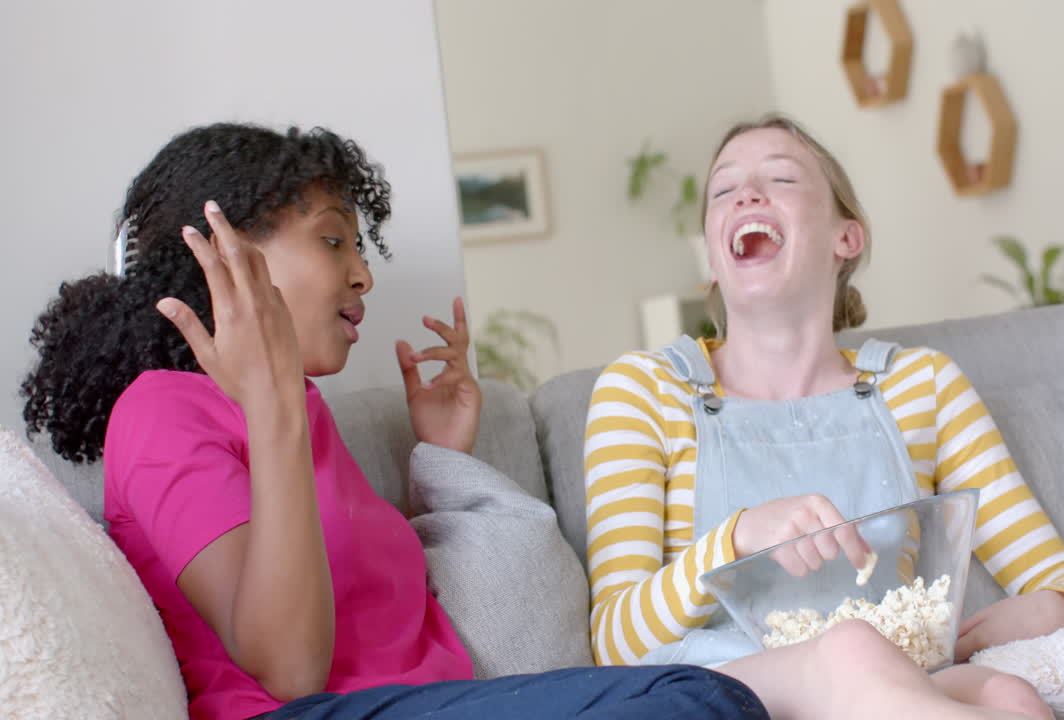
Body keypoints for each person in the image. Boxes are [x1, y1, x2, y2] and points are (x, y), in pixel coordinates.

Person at [20, 123, 768, 720]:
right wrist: (272, 399)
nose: (362, 274)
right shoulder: (161, 412)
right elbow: (288, 668)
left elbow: (368, 616)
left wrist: (442, 456)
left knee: (708, 693)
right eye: (333, 239)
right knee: (699, 702)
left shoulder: (304, 411)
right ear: (226, 255)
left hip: (426, 704)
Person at [583, 114, 1064, 718]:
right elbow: (614, 646)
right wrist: (735, 539)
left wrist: (1057, 605)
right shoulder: (644, 390)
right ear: (713, 254)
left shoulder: (923, 384)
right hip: (717, 696)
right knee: (853, 649)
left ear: (846, 238)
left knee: (1009, 695)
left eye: (780, 178)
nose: (747, 194)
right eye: (724, 190)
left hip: (889, 687)